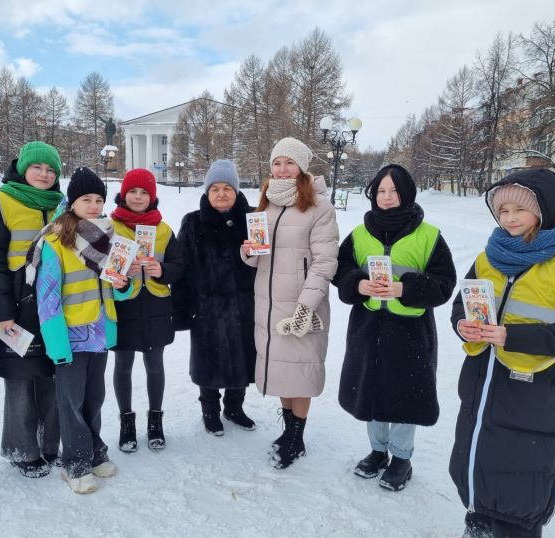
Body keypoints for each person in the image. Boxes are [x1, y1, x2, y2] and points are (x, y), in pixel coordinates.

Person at [450, 169, 555, 538]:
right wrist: (463, 325)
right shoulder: (489, 257)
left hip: (535, 395)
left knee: (523, 479)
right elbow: (461, 305)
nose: (509, 218)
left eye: (519, 210)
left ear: (546, 210)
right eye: (502, 211)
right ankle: (479, 521)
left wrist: (511, 336)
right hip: (482, 384)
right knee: (476, 458)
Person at [332, 164, 456, 491]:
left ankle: (401, 458)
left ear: (407, 194)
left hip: (410, 332)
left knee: (404, 397)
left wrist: (405, 288)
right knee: (371, 390)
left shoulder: (428, 235)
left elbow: (445, 284)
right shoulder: (360, 234)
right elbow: (340, 270)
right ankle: (377, 451)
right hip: (368, 327)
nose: (387, 198)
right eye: (381, 191)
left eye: (394, 191)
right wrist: (358, 285)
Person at [26, 167, 127, 494]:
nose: (95, 205)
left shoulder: (109, 237)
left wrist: (124, 284)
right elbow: (48, 298)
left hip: (99, 334)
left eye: (99, 199)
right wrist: (57, 344)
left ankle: (95, 452)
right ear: (72, 202)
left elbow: (119, 289)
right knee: (70, 404)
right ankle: (76, 463)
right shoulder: (55, 241)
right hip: (69, 337)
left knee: (94, 399)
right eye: (87, 199)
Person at [241, 137, 338, 469]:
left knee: (302, 370)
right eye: (277, 163)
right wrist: (248, 252)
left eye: (289, 163)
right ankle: (288, 430)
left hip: (301, 304)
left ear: (302, 167)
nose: (282, 170)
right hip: (268, 303)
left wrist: (306, 305)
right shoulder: (266, 204)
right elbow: (259, 255)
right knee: (280, 369)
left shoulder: (319, 207)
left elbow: (325, 262)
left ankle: (297, 437)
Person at [0, 141, 63, 477]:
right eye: (37, 167)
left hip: (53, 304)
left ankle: (49, 444)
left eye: (50, 169)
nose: (43, 174)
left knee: (53, 373)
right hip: (17, 303)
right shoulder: (2, 201)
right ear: (23, 168)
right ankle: (21, 449)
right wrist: (2, 311)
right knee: (19, 378)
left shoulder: (61, 206)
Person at [173, 160, 257, 436]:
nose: (221, 194)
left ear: (237, 190)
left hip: (246, 306)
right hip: (206, 308)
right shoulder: (193, 222)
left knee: (243, 357)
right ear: (207, 192)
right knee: (208, 360)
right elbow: (182, 268)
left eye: (227, 188)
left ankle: (235, 406)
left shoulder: (254, 220)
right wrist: (184, 310)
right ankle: (209, 409)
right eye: (215, 189)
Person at [109, 168, 185, 452]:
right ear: (123, 194)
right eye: (133, 192)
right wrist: (117, 273)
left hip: (155, 306)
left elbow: (179, 266)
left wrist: (161, 269)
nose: (138, 197)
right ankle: (126, 422)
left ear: (152, 197)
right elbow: (98, 264)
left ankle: (156, 422)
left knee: (155, 366)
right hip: (123, 307)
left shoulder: (163, 230)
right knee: (123, 366)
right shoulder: (110, 226)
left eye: (144, 193)